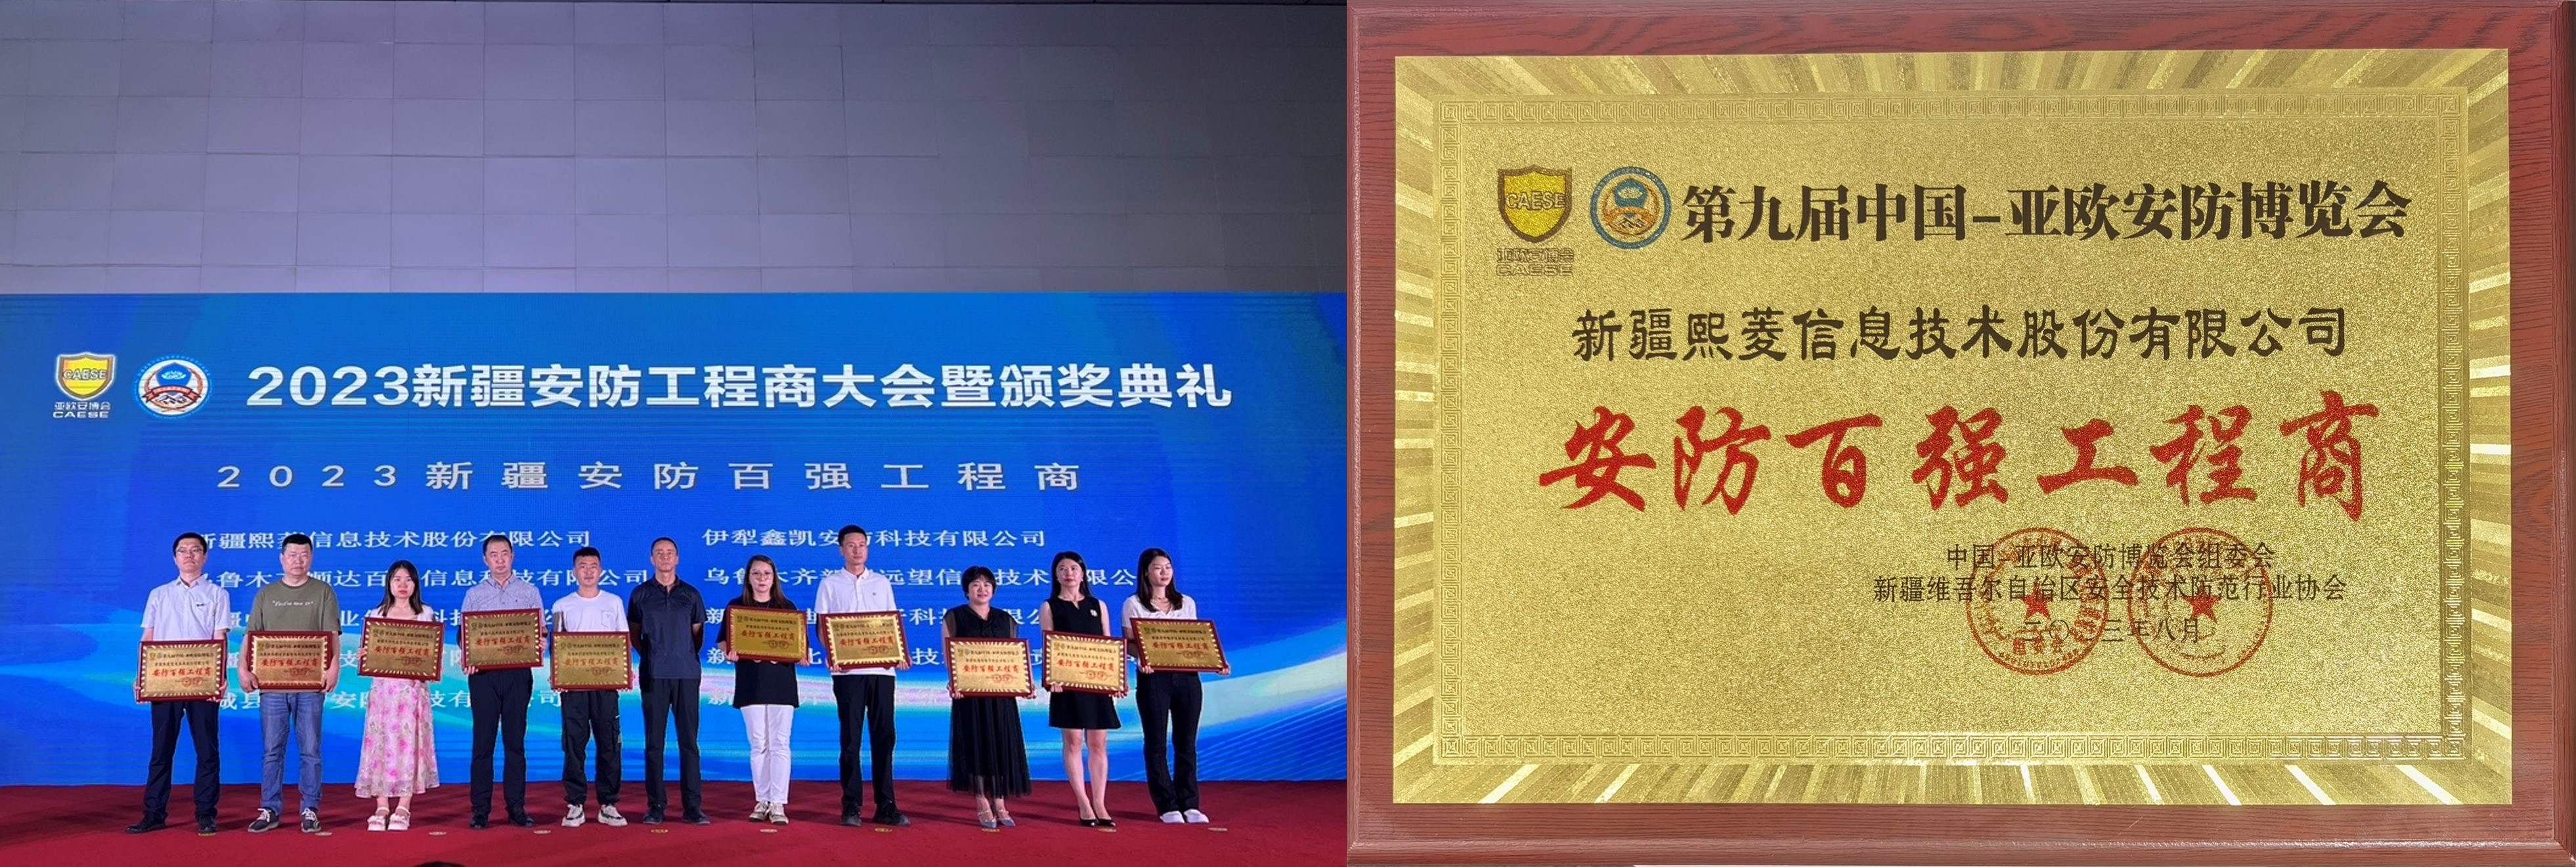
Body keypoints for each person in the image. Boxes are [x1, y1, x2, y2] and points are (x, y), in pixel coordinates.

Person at [131, 531, 230, 835]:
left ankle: (206, 814)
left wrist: (220, 678)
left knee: (207, 751)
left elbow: (220, 638)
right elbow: (148, 638)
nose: (189, 555)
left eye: (196, 550)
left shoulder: (217, 594)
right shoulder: (159, 594)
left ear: (205, 556)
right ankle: (154, 814)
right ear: (175, 558)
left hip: (203, 682)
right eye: (183, 551)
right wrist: (141, 678)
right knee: (161, 751)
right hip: (165, 682)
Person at [813, 524, 909, 827]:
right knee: (851, 739)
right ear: (841, 549)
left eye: (862, 545)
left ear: (868, 548)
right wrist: (834, 656)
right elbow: (822, 626)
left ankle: (886, 805)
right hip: (847, 673)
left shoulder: (882, 582)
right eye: (851, 545)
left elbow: (892, 624)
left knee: (885, 737)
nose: (857, 550)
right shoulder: (830, 584)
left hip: (882, 671)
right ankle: (851, 805)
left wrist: (900, 654)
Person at [242, 533, 339, 834]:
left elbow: (332, 634)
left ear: (312, 558)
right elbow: (251, 635)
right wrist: (242, 668)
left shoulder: (323, 591)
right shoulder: (266, 593)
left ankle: (310, 808)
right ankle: (269, 809)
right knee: (272, 750)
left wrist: (334, 667)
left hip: (311, 685)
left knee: (311, 750)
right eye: (293, 555)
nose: (299, 560)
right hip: (272, 686)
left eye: (304, 554)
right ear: (282, 559)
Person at [1124, 547, 1229, 824]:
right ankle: (1166, 805)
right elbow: (1130, 643)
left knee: (1186, 743)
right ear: (1146, 572)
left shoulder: (1186, 603)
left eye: (1168, 567)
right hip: (1153, 678)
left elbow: (1195, 642)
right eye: (1158, 568)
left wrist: (1216, 661)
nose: (1164, 572)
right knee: (1156, 743)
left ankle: (1190, 803)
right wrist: (1142, 658)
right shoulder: (1134, 604)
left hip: (1187, 678)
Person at [462, 534, 543, 830]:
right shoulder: (474, 594)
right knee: (483, 744)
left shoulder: (530, 592)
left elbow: (540, 631)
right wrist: (468, 655)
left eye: (504, 553)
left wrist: (541, 644)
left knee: (515, 744)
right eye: (493, 555)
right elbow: (465, 635)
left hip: (518, 675)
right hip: (484, 677)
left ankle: (516, 807)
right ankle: (480, 810)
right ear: (485, 560)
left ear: (513, 556)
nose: (500, 559)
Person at [627, 537, 709, 825]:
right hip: (654, 674)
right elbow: (635, 634)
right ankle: (656, 806)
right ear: (652, 559)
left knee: (689, 743)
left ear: (677, 559)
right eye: (659, 553)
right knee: (654, 744)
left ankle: (693, 807)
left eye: (670, 553)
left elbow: (697, 634)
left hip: (687, 674)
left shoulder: (691, 594)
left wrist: (681, 654)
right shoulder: (640, 594)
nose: (665, 557)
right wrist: (655, 655)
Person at [1038, 550, 1123, 828]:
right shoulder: (1050, 607)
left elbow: (1109, 645)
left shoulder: (1099, 605)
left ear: (1083, 573)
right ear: (1056, 575)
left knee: (1098, 744)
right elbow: (1049, 646)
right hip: (1067, 685)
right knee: (1073, 742)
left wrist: (1116, 679)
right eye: (1062, 569)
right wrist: (1052, 678)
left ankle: (1100, 802)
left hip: (1097, 682)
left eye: (1074, 568)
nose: (1069, 573)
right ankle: (1084, 803)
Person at [944, 566, 1032, 830]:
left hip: (1001, 697)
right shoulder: (955, 616)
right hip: (969, 695)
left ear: (993, 589)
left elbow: (1015, 658)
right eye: (975, 585)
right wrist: (955, 681)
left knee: (1001, 745)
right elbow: (950, 655)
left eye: (987, 585)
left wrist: (1024, 682)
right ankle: (982, 801)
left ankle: (1000, 801)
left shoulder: (1006, 620)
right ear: (967, 590)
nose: (982, 589)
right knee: (976, 745)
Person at [353, 560, 437, 832]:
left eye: (408, 579)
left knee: (409, 745)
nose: (403, 585)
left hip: (412, 692)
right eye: (397, 579)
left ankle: (403, 806)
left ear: (416, 584)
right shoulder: (377, 614)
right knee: (381, 745)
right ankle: (381, 805)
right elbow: (369, 656)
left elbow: (432, 654)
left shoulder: (425, 614)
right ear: (389, 584)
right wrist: (364, 655)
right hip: (384, 693)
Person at [717, 555, 800, 826]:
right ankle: (762, 799)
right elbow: (723, 641)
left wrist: (800, 654)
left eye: (767, 573)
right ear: (748, 578)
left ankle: (778, 803)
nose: (762, 578)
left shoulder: (786, 607)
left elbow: (798, 645)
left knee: (780, 744)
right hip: (751, 682)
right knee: (759, 743)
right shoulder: (737, 607)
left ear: (774, 578)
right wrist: (730, 653)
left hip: (781, 683)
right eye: (756, 573)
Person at [550, 546, 628, 828]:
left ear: (601, 570)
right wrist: (557, 676)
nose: (588, 571)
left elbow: (623, 640)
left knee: (609, 743)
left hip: (606, 686)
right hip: (574, 687)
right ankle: (575, 803)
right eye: (582, 566)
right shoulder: (562, 605)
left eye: (593, 566)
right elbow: (557, 645)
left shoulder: (614, 602)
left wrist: (625, 674)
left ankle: (609, 804)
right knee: (574, 745)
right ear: (574, 571)